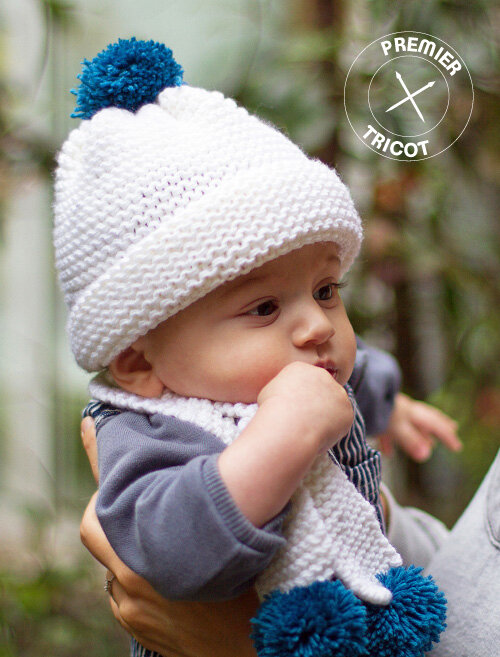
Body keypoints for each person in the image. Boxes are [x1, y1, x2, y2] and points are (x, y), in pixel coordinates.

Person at [54, 38, 450, 657]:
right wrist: (282, 438)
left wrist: (388, 406)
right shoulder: (153, 434)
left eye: (325, 289)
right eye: (264, 307)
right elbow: (174, 556)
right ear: (137, 361)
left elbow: (358, 372)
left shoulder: (304, 368)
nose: (316, 326)